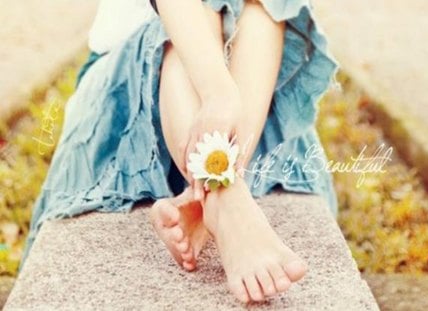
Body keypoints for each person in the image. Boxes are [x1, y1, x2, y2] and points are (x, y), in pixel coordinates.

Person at [23, 0, 338, 303]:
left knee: (266, 7)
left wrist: (226, 107)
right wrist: (218, 95)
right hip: (138, 83)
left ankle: (220, 182)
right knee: (190, 21)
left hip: (248, 107)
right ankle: (226, 199)